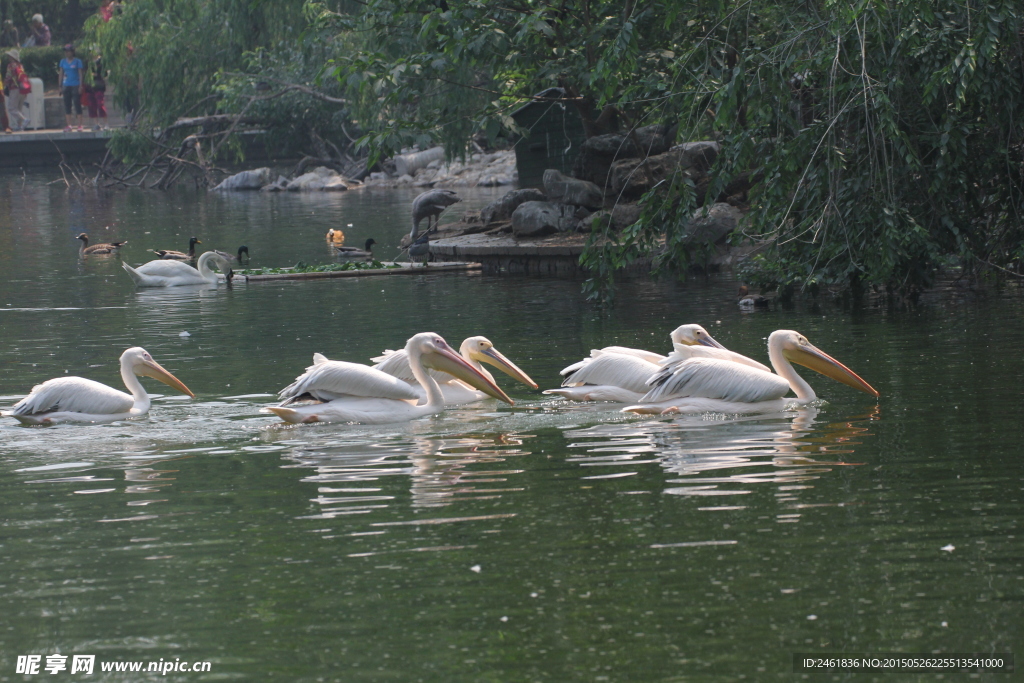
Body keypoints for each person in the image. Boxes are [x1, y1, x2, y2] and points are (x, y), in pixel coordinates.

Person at [4, 49, 30, 131]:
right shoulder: (20, 65)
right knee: (18, 108)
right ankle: (20, 126)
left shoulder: (10, 65)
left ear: (12, 57)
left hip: (14, 88)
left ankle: (24, 119)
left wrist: (5, 84)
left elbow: (8, 77)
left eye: (9, 56)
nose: (8, 57)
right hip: (22, 89)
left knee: (11, 108)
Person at [59, 44, 84, 131]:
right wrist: (60, 85)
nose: (66, 53)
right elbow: (61, 73)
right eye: (65, 51)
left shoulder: (77, 61)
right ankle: (69, 125)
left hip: (75, 84)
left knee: (77, 104)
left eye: (68, 51)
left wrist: (81, 86)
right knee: (67, 105)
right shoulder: (62, 61)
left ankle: (80, 125)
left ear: (72, 52)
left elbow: (80, 74)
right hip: (66, 85)